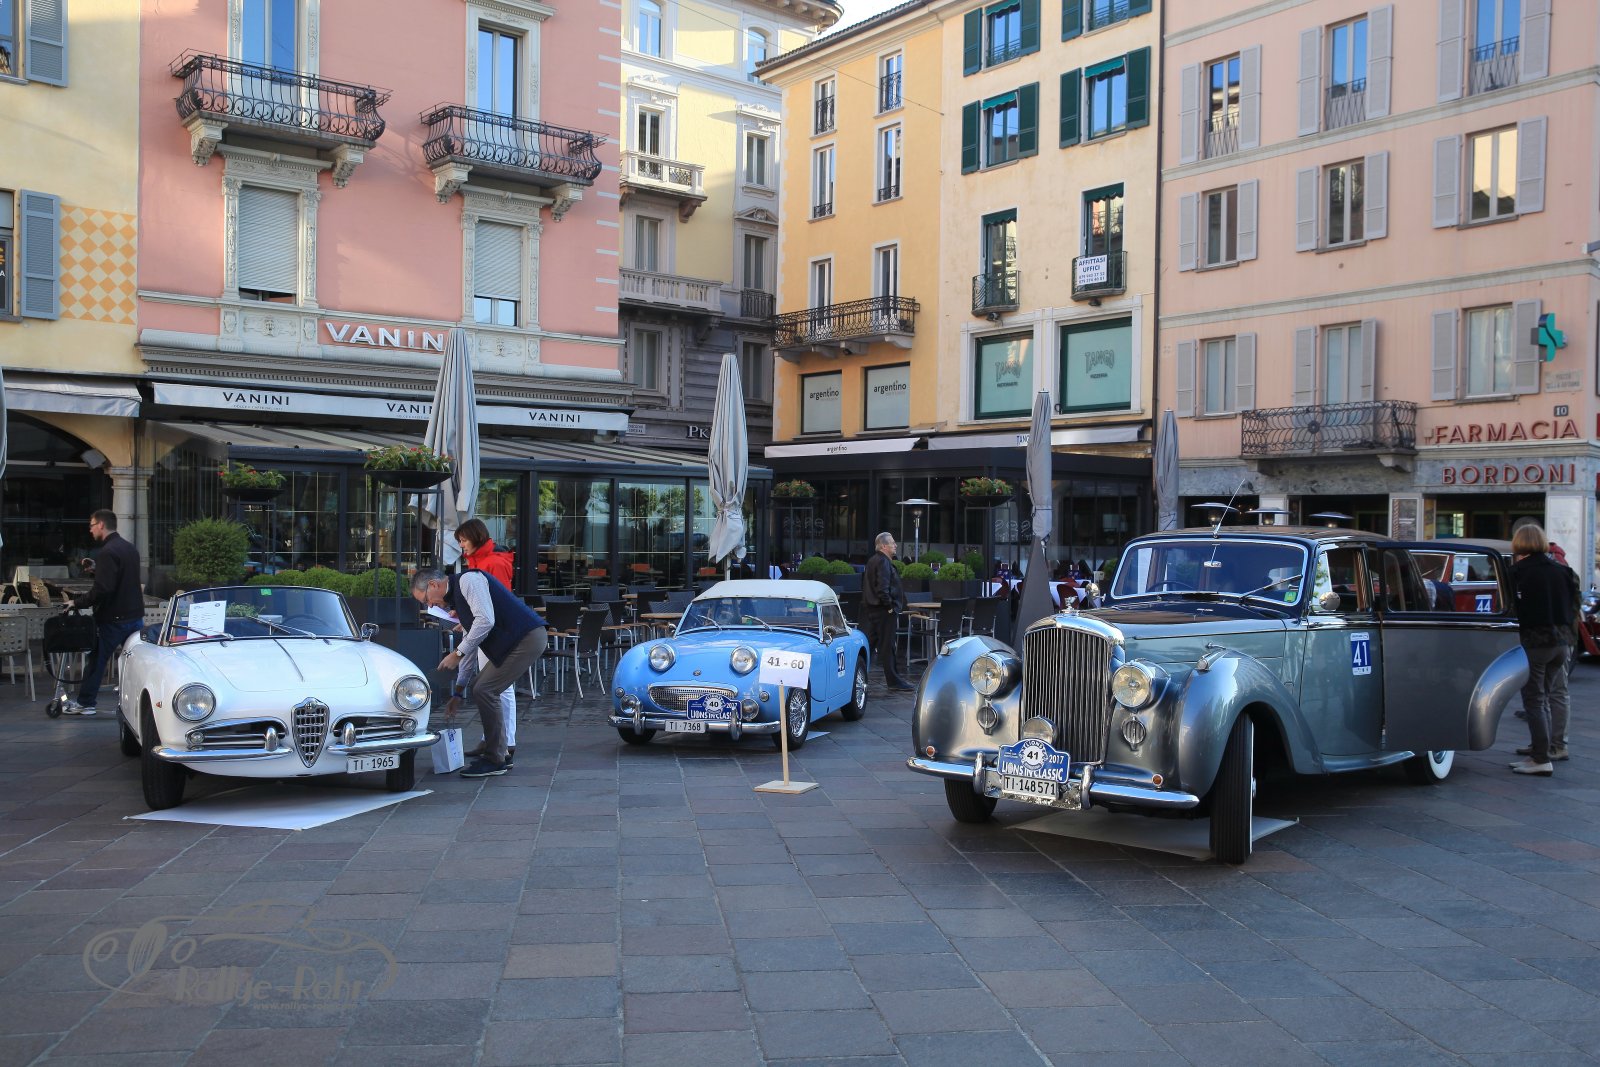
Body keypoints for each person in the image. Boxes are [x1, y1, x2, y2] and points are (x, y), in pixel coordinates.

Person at [412, 567, 547, 778]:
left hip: (526, 638)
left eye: (426, 600)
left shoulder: (468, 580)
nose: (429, 605)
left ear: (433, 585)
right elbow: (470, 647)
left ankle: (495, 758)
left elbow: (485, 621)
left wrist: (457, 653)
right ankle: (498, 752)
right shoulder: (459, 602)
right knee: (480, 687)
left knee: (485, 689)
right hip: (516, 642)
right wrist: (457, 693)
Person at [1508, 524, 1578, 775]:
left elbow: (1512, 607)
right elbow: (1573, 604)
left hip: (1535, 642)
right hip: (1561, 642)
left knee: (1534, 700)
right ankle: (1542, 749)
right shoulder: (1562, 570)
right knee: (1545, 697)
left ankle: (1540, 759)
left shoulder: (1518, 572)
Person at [63, 510, 144, 716]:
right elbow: (121, 578)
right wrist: (98, 569)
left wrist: (77, 602)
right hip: (134, 616)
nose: (90, 530)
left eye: (91, 525)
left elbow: (103, 589)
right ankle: (137, 703)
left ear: (101, 525)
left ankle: (86, 703)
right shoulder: (129, 548)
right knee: (136, 662)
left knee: (97, 661)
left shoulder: (108, 552)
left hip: (113, 618)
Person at [455, 519, 519, 765]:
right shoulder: (478, 562)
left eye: (463, 540)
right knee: (490, 686)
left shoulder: (493, 563)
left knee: (499, 687)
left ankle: (506, 740)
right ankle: (492, 738)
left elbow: (500, 600)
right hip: (488, 629)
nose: (461, 545)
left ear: (475, 537)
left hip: (496, 631)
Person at [862, 531, 913, 691]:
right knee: (887, 647)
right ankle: (894, 681)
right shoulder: (883, 562)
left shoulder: (873, 560)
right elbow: (882, 589)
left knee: (869, 646)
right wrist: (890, 607)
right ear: (884, 546)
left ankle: (855, 676)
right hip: (883, 612)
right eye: (892, 543)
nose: (895, 545)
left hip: (873, 610)